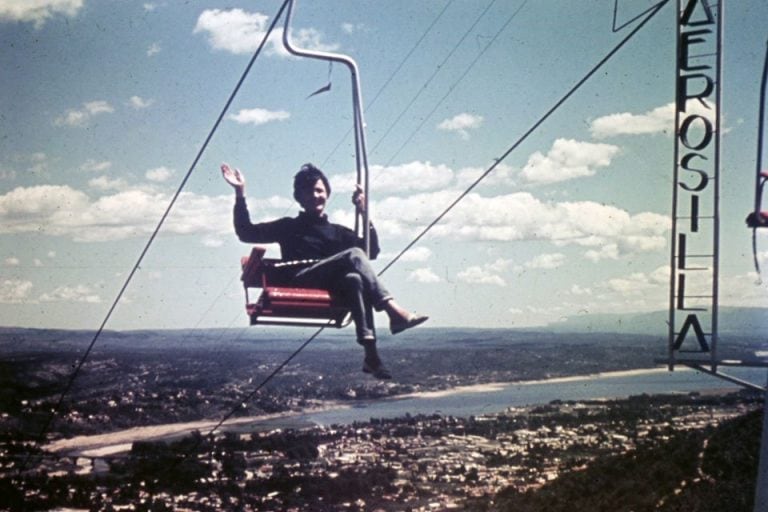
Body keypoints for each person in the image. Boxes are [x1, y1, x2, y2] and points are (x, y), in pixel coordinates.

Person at [222, 162, 428, 379]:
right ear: (299, 198)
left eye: (319, 190)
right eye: (308, 191)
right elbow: (246, 233)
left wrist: (364, 213)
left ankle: (371, 355)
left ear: (327, 194)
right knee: (355, 254)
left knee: (354, 279)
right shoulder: (288, 226)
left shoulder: (338, 233)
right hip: (301, 280)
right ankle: (393, 310)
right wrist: (239, 193)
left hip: (329, 286)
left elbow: (372, 252)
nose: (315, 195)